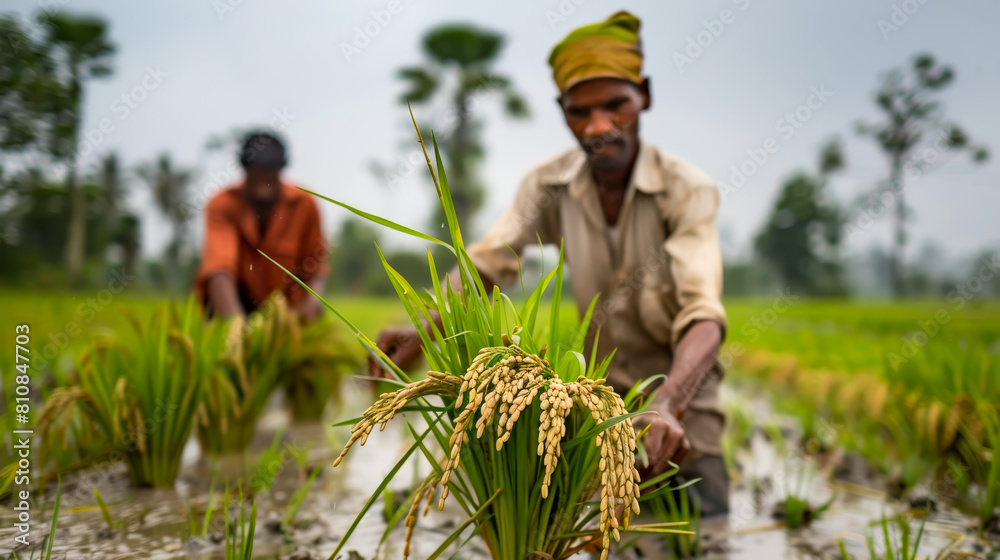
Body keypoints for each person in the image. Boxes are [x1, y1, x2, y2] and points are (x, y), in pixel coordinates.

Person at [372, 11, 729, 516]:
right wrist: (426, 327)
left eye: (616, 106)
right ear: (562, 111)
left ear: (644, 96)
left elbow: (704, 314)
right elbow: (489, 262)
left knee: (706, 536)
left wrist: (668, 404)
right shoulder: (550, 186)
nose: (599, 126)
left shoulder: (686, 190)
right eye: (580, 111)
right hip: (599, 423)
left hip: (682, 417)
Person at [194, 132, 328, 321]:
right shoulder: (223, 205)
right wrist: (236, 328)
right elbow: (220, 269)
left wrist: (310, 307)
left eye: (269, 174)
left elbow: (316, 268)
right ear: (245, 171)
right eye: (256, 174)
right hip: (236, 302)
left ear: (280, 171)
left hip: (286, 311)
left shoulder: (304, 204)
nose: (263, 183)